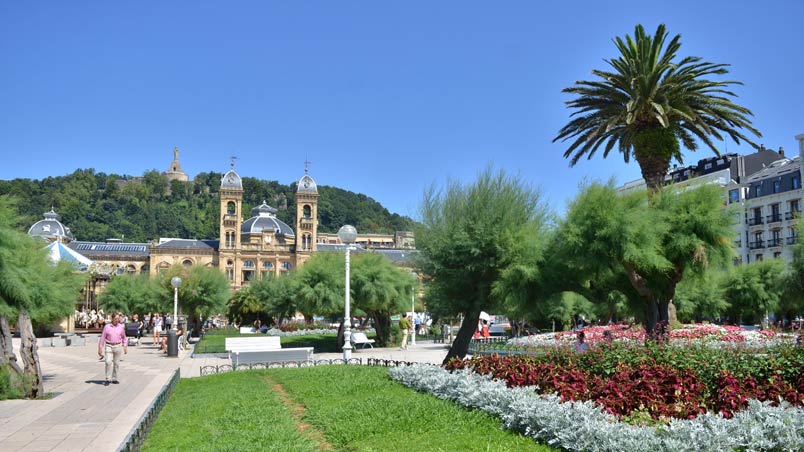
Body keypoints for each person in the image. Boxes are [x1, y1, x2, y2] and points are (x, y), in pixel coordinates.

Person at [98, 313, 127, 385]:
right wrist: (100, 347)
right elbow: (103, 337)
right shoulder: (107, 327)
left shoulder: (121, 327)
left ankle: (114, 378)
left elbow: (124, 337)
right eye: (116, 319)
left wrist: (125, 346)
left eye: (118, 319)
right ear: (112, 319)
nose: (117, 320)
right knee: (108, 362)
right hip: (109, 346)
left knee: (116, 363)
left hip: (118, 346)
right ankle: (108, 378)